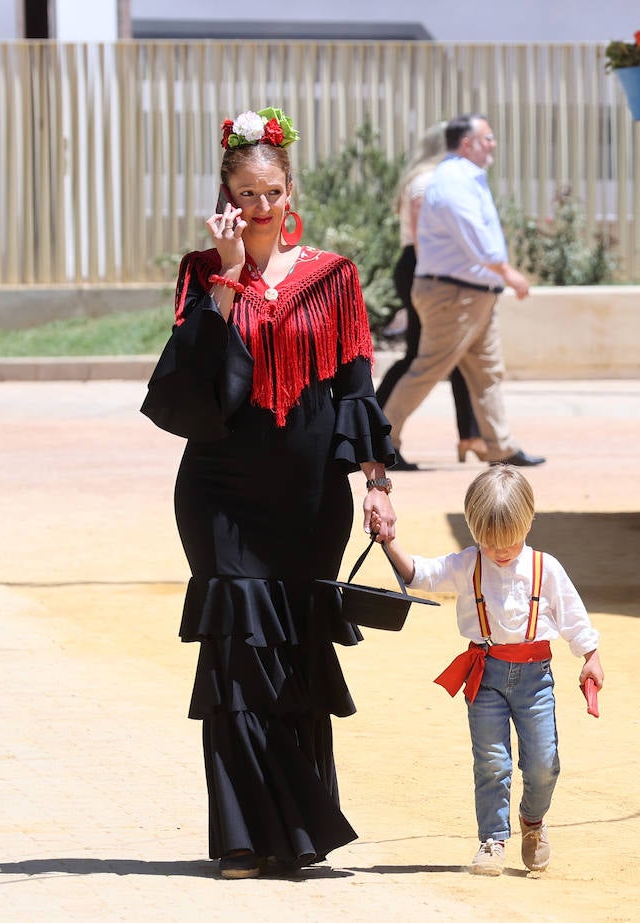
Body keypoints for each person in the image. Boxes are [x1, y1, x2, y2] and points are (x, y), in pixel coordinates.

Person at [140, 106, 398, 880]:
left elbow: (356, 387)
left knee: (293, 656)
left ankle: (297, 836)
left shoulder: (335, 277)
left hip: (311, 494)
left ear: (291, 193)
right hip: (221, 489)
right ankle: (244, 837)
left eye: (271, 192)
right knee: (234, 655)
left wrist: (376, 484)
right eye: (244, 195)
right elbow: (193, 386)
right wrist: (224, 275)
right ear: (225, 197)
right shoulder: (200, 273)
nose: (258, 208)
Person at [374, 465, 604, 875]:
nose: (500, 551)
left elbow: (573, 616)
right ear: (473, 529)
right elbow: (420, 573)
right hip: (486, 676)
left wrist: (590, 656)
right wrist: (389, 542)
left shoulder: (545, 568)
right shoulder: (467, 563)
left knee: (544, 762)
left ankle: (532, 822)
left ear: (529, 521)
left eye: (510, 540)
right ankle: (492, 840)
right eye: (489, 541)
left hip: (535, 680)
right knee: (492, 762)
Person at [381, 113, 546, 468]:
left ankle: (500, 446)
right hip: (454, 294)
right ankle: (383, 443)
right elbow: (472, 232)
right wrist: (507, 271)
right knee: (426, 369)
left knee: (486, 372)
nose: (493, 144)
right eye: (488, 138)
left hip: (474, 291)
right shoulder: (452, 179)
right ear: (467, 143)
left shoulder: (464, 177)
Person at [376, 120, 487, 471]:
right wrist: (436, 279)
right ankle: (374, 432)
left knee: (453, 353)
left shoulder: (427, 177)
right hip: (423, 268)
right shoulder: (425, 181)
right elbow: (425, 235)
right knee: (421, 359)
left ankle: (471, 435)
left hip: (422, 268)